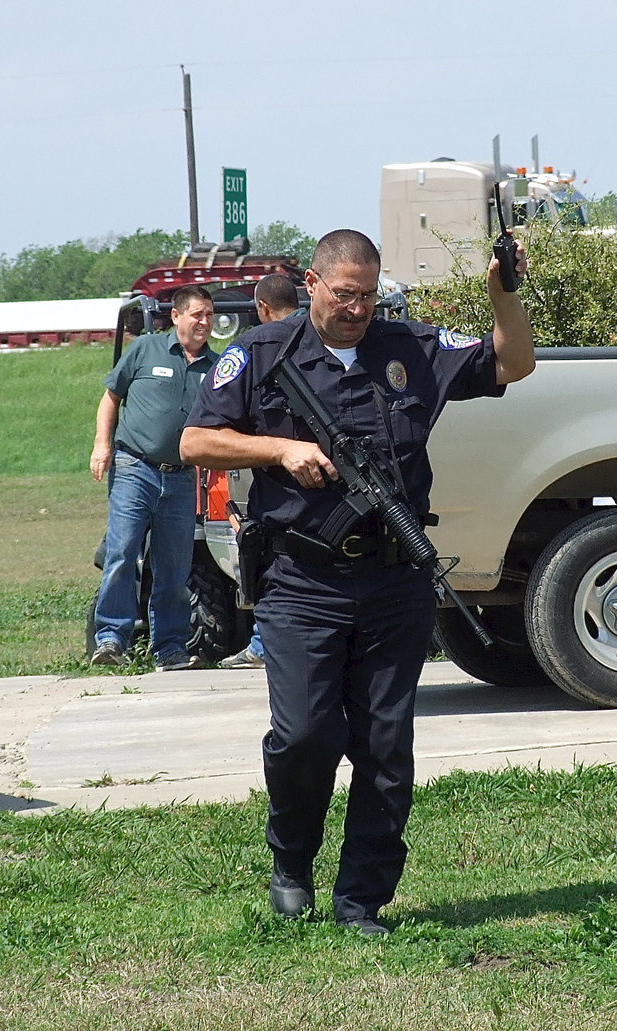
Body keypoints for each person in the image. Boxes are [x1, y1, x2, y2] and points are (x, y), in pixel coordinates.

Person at [180, 229, 534, 934]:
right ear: (311, 284)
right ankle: (291, 861)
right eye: (345, 293)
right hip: (300, 579)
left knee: (384, 742)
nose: (358, 308)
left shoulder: (409, 347)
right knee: (306, 733)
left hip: (392, 579)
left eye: (369, 294)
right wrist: (280, 447)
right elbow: (196, 441)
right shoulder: (259, 354)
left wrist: (504, 296)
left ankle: (361, 898)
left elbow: (512, 362)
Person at [89, 284, 219, 672]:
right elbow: (112, 396)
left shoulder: (216, 366)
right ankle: (111, 638)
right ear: (176, 316)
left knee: (175, 567)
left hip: (181, 478)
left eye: (210, 315)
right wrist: (102, 444)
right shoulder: (145, 350)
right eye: (197, 314)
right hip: (134, 468)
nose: (205, 322)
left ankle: (170, 648)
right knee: (122, 552)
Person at [219, 273, 303, 671]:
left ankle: (263, 644)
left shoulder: (253, 349)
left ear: (262, 308)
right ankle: (262, 643)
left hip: (276, 499)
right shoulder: (325, 342)